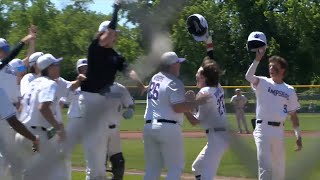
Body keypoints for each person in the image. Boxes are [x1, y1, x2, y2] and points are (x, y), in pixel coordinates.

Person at [79, 2, 145, 179]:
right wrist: (116, 10)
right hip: (91, 100)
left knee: (108, 162)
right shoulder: (95, 48)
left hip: (103, 104)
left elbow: (127, 69)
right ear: (104, 33)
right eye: (113, 33)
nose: (115, 36)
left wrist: (138, 82)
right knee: (96, 165)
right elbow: (108, 33)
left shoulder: (116, 56)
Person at [143, 51, 209, 180]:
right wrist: (197, 102)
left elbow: (167, 101)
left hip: (149, 127)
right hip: (168, 127)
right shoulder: (174, 82)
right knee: (175, 167)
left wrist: (185, 101)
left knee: (152, 169)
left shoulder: (155, 78)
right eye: (178, 63)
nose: (179, 65)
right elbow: (178, 108)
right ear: (172, 65)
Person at [245, 41, 302, 179]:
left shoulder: (289, 90)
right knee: (265, 166)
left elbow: (293, 115)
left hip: (278, 131)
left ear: (282, 70)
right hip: (262, 129)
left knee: (279, 168)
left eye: (274, 67)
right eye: (270, 66)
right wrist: (257, 59)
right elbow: (248, 77)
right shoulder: (263, 82)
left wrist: (298, 136)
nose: (271, 68)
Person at [15, 53, 66, 180]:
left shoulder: (33, 83)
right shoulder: (49, 84)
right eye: (56, 64)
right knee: (57, 173)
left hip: (23, 134)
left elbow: (21, 106)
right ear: (49, 68)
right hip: (37, 136)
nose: (59, 67)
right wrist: (58, 127)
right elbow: (43, 108)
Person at [0, 33, 39, 179]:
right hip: (3, 113)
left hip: (13, 110)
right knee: (5, 154)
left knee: (14, 152)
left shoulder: (11, 67)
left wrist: (31, 43)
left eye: (6, 48)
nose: (6, 51)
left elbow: (28, 62)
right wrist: (23, 41)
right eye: (3, 49)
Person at [184, 60, 229, 180]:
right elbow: (200, 117)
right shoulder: (218, 88)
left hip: (217, 137)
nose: (197, 75)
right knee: (197, 167)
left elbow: (194, 121)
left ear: (205, 77)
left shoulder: (204, 91)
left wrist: (184, 107)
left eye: (199, 74)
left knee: (206, 176)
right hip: (220, 136)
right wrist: (192, 105)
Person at [104, 82, 135, 180]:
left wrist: (130, 110)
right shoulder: (93, 84)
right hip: (97, 131)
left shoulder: (120, 88)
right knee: (98, 164)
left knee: (119, 163)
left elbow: (130, 103)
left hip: (114, 131)